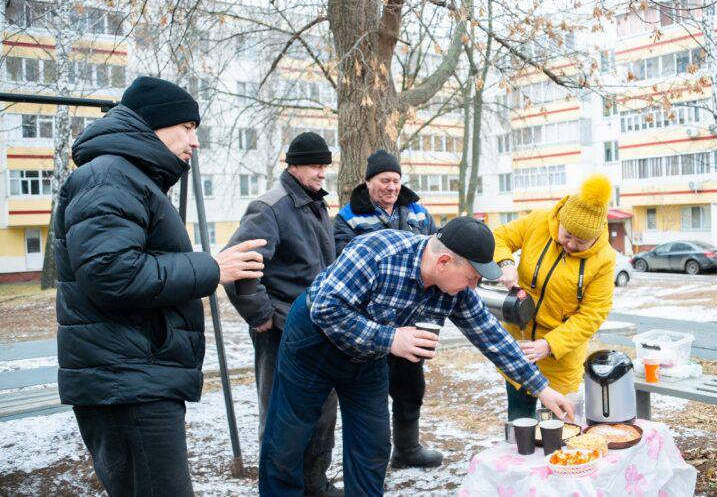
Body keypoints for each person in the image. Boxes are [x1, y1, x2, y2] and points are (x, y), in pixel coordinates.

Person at [55, 76, 265, 496]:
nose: (195, 141)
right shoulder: (109, 177)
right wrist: (211, 269)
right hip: (126, 382)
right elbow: (111, 274)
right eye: (187, 127)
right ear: (152, 124)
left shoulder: (128, 177)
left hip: (136, 377)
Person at [259, 217, 574, 496]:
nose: (474, 285)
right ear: (444, 262)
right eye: (472, 277)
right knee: (289, 439)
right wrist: (391, 337)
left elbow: (490, 335)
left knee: (372, 446)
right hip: (315, 342)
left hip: (368, 356)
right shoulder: (376, 253)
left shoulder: (457, 291)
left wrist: (542, 388)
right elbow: (327, 308)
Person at [223, 132, 340, 496]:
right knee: (282, 418)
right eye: (315, 166)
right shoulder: (270, 207)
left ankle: (314, 484)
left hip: (319, 328)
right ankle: (283, 490)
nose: (322, 173)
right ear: (293, 165)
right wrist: (261, 315)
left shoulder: (315, 203)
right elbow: (239, 263)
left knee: (323, 411)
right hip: (281, 330)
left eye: (325, 166)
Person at [333, 149, 442, 468]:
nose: (391, 186)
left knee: (411, 387)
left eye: (395, 180)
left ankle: (407, 450)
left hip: (412, 319)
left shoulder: (418, 212)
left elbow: (436, 251)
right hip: (370, 324)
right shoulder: (348, 217)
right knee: (372, 392)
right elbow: (342, 260)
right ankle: (372, 460)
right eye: (384, 180)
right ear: (368, 182)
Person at [494, 174, 616, 420]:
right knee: (520, 419)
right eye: (567, 235)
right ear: (560, 219)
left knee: (557, 423)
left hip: (560, 355)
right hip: (520, 344)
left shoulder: (604, 259)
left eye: (580, 241)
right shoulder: (538, 222)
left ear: (596, 236)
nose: (570, 245)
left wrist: (550, 345)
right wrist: (505, 263)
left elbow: (593, 314)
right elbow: (498, 237)